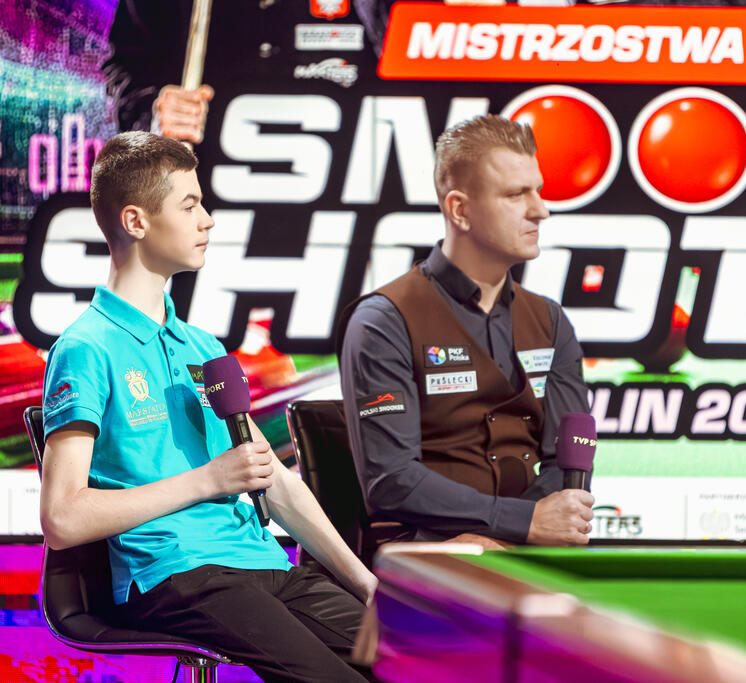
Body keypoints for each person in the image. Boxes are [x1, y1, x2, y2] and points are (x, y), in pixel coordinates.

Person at [40, 131, 376, 682]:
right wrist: (209, 480)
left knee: (422, 661)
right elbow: (63, 519)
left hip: (266, 564)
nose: (209, 220)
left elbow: (272, 479)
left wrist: (366, 584)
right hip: (178, 573)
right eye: (190, 205)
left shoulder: (204, 348)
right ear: (136, 222)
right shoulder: (86, 348)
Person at [338, 115, 595, 549]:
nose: (541, 209)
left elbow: (565, 466)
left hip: (527, 550)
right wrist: (521, 521)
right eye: (516, 194)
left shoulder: (551, 321)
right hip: (423, 551)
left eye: (537, 190)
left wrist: (519, 533)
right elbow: (391, 480)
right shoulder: (383, 319)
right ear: (459, 209)